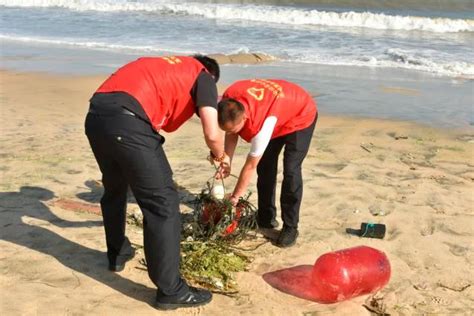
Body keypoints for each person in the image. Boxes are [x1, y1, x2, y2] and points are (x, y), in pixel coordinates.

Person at [84, 55, 229, 310]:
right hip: (128, 121)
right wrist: (221, 156)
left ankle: (117, 253)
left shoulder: (165, 66)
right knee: (163, 204)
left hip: (96, 115)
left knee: (115, 188)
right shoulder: (203, 76)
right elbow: (211, 132)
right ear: (211, 74)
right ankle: (170, 290)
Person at [217, 79, 317, 248]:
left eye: (235, 129)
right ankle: (266, 217)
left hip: (300, 114)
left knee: (291, 170)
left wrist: (234, 198)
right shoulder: (228, 101)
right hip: (278, 110)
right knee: (266, 166)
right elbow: (231, 132)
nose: (231, 133)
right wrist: (227, 159)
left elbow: (250, 166)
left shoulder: (262, 125)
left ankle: (290, 227)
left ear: (246, 117)